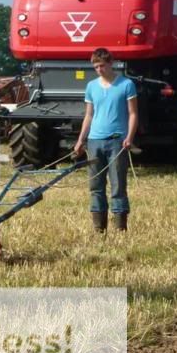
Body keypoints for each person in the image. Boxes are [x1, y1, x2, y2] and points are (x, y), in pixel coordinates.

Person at [74, 48, 138, 233]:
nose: (99, 69)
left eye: (102, 65)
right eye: (95, 67)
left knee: (118, 184)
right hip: (94, 141)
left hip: (117, 141)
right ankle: (98, 227)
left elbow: (133, 113)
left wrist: (129, 137)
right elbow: (88, 115)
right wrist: (81, 140)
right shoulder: (91, 86)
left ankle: (120, 227)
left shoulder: (126, 84)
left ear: (111, 64)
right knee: (95, 185)